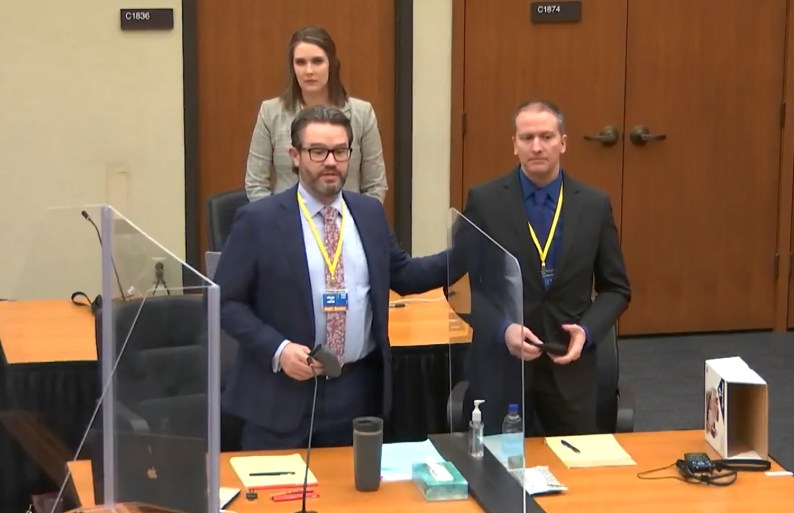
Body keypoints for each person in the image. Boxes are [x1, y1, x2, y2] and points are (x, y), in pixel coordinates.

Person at [215, 105, 446, 450]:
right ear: (295, 156)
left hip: (354, 393)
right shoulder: (258, 221)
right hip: (280, 398)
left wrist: (468, 253)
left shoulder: (368, 213)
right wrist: (278, 350)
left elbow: (404, 274)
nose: (331, 162)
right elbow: (224, 302)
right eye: (318, 151)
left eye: (340, 151)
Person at [460, 100, 631, 436]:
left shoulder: (594, 205)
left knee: (578, 478)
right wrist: (502, 329)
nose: (536, 146)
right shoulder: (484, 200)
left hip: (570, 367)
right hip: (503, 366)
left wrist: (588, 330)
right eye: (526, 138)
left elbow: (617, 288)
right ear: (514, 145)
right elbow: (462, 286)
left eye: (546, 136)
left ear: (563, 142)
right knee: (495, 473)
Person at [244, 26, 388, 203]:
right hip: (288, 224)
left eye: (317, 61)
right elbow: (255, 184)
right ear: (292, 67)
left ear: (331, 65)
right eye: (301, 62)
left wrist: (357, 222)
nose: (309, 71)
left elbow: (375, 186)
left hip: (345, 222)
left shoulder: (362, 114)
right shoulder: (271, 112)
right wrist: (277, 223)